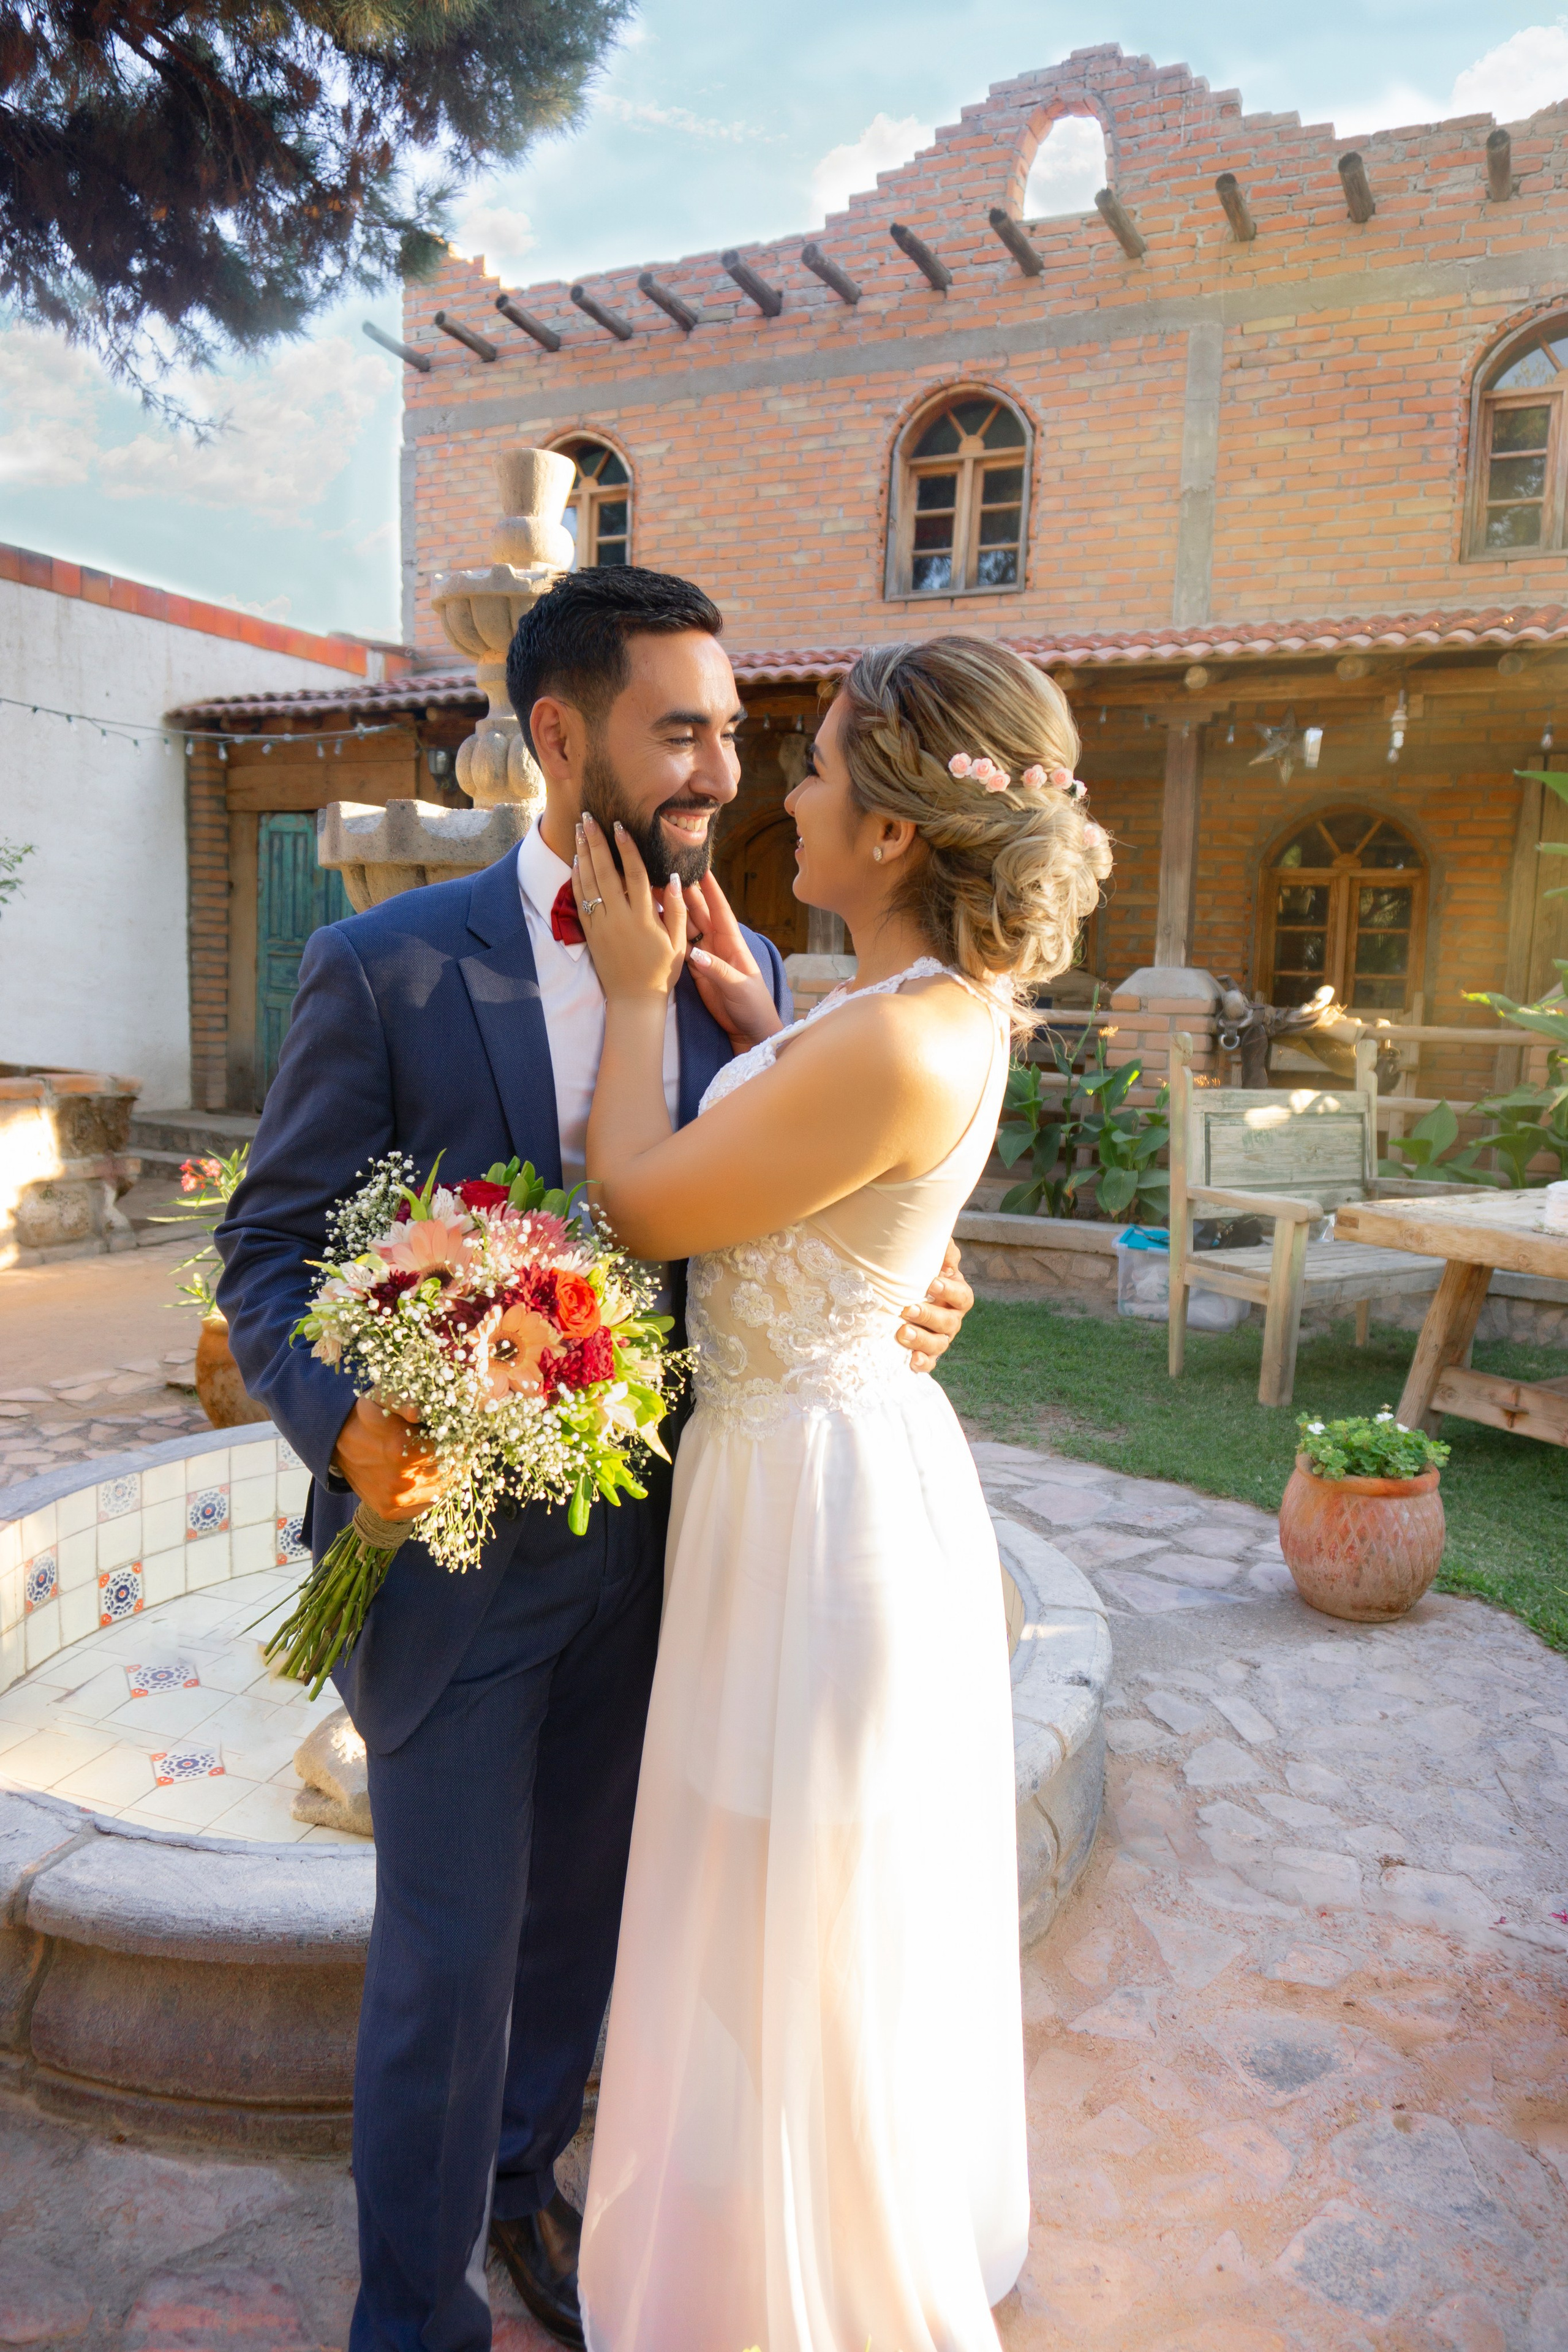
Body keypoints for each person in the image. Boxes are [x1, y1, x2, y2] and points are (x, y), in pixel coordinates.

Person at [213, 567, 973, 2352]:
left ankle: (519, 2196)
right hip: (455, 1568)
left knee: (586, 1941)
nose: (719, 770)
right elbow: (272, 1249)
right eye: (680, 730)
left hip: (688, 1545)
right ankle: (410, 2312)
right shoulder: (385, 967)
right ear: (558, 737)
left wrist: (904, 1285)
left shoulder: (755, 971)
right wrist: (349, 1414)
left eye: (734, 733)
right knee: (445, 1965)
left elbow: (788, 1210)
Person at [569, 633, 1111, 2352]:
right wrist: (752, 1014)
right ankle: (771, 2216)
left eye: (812, 764)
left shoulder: (903, 1043)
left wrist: (644, 994)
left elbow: (650, 1207)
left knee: (796, 1919)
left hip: (816, 1517)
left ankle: (816, 2279)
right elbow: (839, 1150)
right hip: (803, 1473)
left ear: (890, 833)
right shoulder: (892, 1008)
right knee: (783, 1903)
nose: (777, 793)